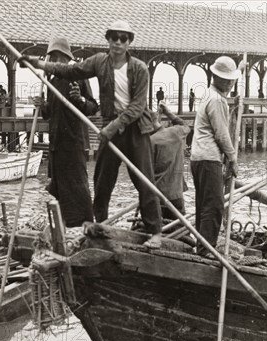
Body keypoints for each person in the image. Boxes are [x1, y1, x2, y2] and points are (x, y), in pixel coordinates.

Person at [22, 20, 162, 247]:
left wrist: (112, 127)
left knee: (143, 180)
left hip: (135, 128)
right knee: (102, 180)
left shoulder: (139, 68)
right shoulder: (99, 62)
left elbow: (137, 107)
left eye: (123, 38)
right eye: (114, 37)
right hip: (110, 126)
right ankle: (102, 224)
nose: (118, 42)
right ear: (107, 39)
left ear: (129, 42)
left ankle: (155, 231)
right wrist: (39, 64)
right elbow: (69, 70)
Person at [37, 37, 98, 227]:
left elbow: (92, 107)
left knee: (77, 186)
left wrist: (79, 99)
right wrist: (42, 106)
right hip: (56, 144)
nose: (53, 61)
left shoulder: (77, 76)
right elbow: (50, 114)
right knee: (60, 186)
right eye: (51, 58)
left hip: (73, 142)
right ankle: (66, 224)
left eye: (56, 57)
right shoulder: (52, 81)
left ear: (64, 58)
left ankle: (85, 224)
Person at [190, 55, 240, 257]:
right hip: (209, 158)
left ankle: (202, 245)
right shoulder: (218, 100)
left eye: (232, 80)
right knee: (215, 205)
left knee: (203, 205)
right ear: (215, 77)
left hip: (198, 157)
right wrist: (233, 158)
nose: (230, 83)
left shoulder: (209, 95)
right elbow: (221, 134)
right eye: (226, 79)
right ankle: (206, 248)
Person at [150, 103, 191, 221]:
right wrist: (168, 113)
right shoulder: (175, 132)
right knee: (180, 230)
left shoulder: (149, 142)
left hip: (157, 195)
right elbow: (185, 125)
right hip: (176, 194)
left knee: (156, 231)